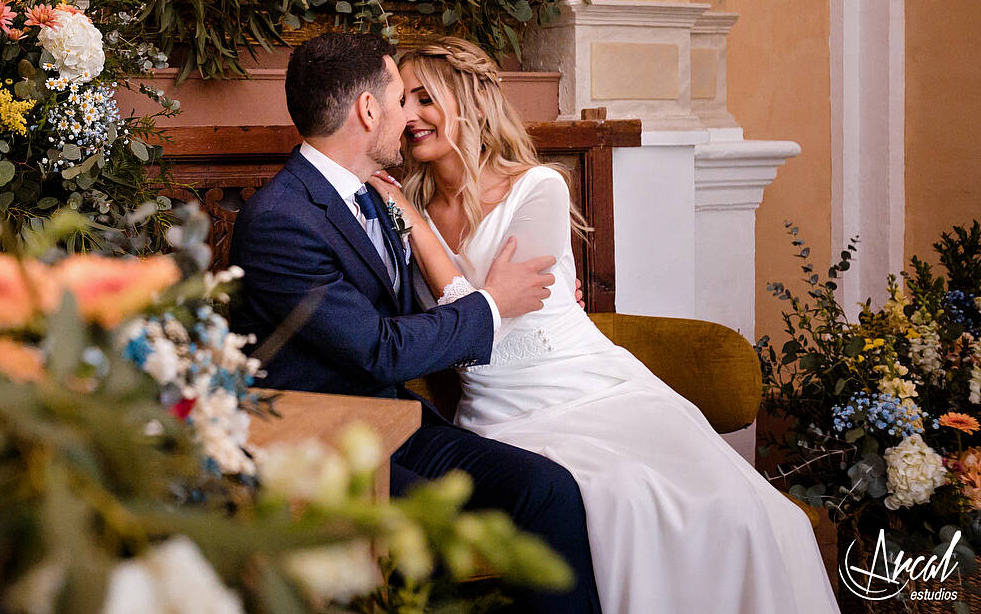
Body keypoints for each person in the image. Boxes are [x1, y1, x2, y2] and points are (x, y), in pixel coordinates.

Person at [365, 35, 840, 614]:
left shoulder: (537, 188)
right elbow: (432, 325)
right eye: (401, 103)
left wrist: (417, 226)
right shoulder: (394, 208)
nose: (409, 117)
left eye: (424, 99)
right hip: (500, 414)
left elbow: (498, 324)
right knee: (619, 493)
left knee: (736, 506)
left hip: (590, 385)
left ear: (470, 101)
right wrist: (412, 222)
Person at [229, 32, 604, 614]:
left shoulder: (380, 195)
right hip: (326, 442)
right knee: (437, 528)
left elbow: (415, 305)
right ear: (368, 110)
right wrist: (493, 304)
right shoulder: (280, 219)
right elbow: (379, 349)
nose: (408, 118)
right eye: (402, 99)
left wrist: (539, 303)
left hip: (397, 426)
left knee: (547, 490)